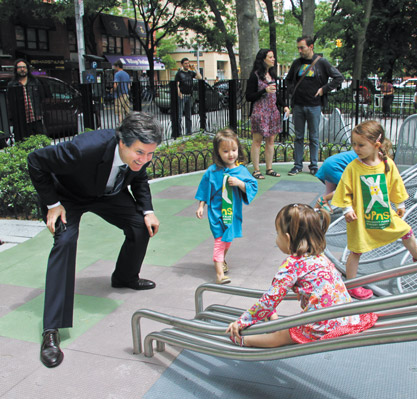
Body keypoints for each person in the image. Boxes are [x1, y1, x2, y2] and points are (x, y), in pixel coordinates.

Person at [27, 111, 162, 368]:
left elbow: (140, 177)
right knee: (65, 242)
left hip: (107, 194)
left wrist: (148, 211)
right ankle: (51, 330)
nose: (145, 159)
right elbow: (35, 161)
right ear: (121, 142)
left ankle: (124, 277)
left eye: (150, 154)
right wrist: (53, 204)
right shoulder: (83, 148)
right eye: (139, 153)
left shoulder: (139, 157)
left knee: (140, 226)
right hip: (69, 196)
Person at [226, 203, 378, 347]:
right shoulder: (319, 255)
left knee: (284, 335)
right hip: (347, 318)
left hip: (322, 325)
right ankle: (273, 319)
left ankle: (244, 340)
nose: (276, 238)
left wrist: (242, 322)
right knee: (286, 324)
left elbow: (270, 300)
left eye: (277, 233)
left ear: (287, 238)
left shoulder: (292, 264)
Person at [331, 120, 417, 299]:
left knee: (406, 230)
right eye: (354, 144)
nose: (356, 149)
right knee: (356, 250)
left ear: (376, 145)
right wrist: (346, 209)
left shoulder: (386, 164)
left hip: (382, 211)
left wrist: (400, 204)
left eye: (361, 145)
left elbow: (395, 184)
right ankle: (351, 285)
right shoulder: (353, 168)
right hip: (360, 218)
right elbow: (344, 190)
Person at [195, 128, 258, 285]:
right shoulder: (212, 171)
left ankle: (221, 259)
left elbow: (252, 186)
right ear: (218, 152)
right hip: (217, 213)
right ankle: (219, 274)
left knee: (228, 240)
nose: (231, 154)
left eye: (234, 150)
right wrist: (201, 206)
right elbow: (204, 189)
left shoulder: (241, 170)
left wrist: (240, 183)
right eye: (225, 151)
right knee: (219, 241)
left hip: (232, 211)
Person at [285, 35, 343, 176]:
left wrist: (324, 89)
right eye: (298, 47)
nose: (299, 50)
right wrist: (292, 94)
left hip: (314, 105)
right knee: (298, 136)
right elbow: (288, 81)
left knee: (314, 137)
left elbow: (338, 77)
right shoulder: (297, 63)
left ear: (311, 47)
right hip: (298, 105)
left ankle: (313, 165)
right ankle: (297, 165)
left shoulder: (321, 62)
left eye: (302, 47)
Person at [246, 49, 290, 179]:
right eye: (270, 57)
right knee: (257, 141)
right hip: (260, 112)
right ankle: (256, 169)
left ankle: (269, 168)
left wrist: (284, 106)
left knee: (271, 140)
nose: (273, 59)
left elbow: (276, 94)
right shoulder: (255, 76)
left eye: (273, 57)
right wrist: (264, 90)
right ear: (263, 59)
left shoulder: (272, 76)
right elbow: (249, 96)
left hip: (272, 112)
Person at [6, 58, 49, 140]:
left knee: (40, 141)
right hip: (21, 120)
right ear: (16, 69)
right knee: (23, 142)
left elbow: (42, 98)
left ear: (27, 69)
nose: (22, 69)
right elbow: (10, 103)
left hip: (36, 117)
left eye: (24, 67)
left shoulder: (35, 82)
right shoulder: (12, 84)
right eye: (20, 67)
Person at [175, 58, 202, 136]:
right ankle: (178, 133)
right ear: (182, 64)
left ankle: (188, 132)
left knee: (188, 116)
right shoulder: (179, 74)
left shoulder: (191, 73)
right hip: (182, 96)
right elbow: (177, 84)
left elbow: (200, 77)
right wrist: (179, 93)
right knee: (179, 116)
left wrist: (195, 68)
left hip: (189, 96)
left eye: (188, 63)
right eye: (185, 63)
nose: (187, 65)